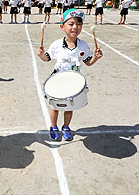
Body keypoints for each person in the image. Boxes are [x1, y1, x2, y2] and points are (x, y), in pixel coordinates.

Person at [37, 9, 103, 141]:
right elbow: (47, 59)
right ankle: (54, 126)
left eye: (78, 24)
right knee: (55, 106)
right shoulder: (56, 45)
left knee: (70, 106)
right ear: (62, 27)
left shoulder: (83, 46)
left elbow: (88, 62)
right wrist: (41, 55)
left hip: (74, 81)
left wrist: (95, 58)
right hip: (58, 79)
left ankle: (66, 127)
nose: (75, 27)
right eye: (71, 23)